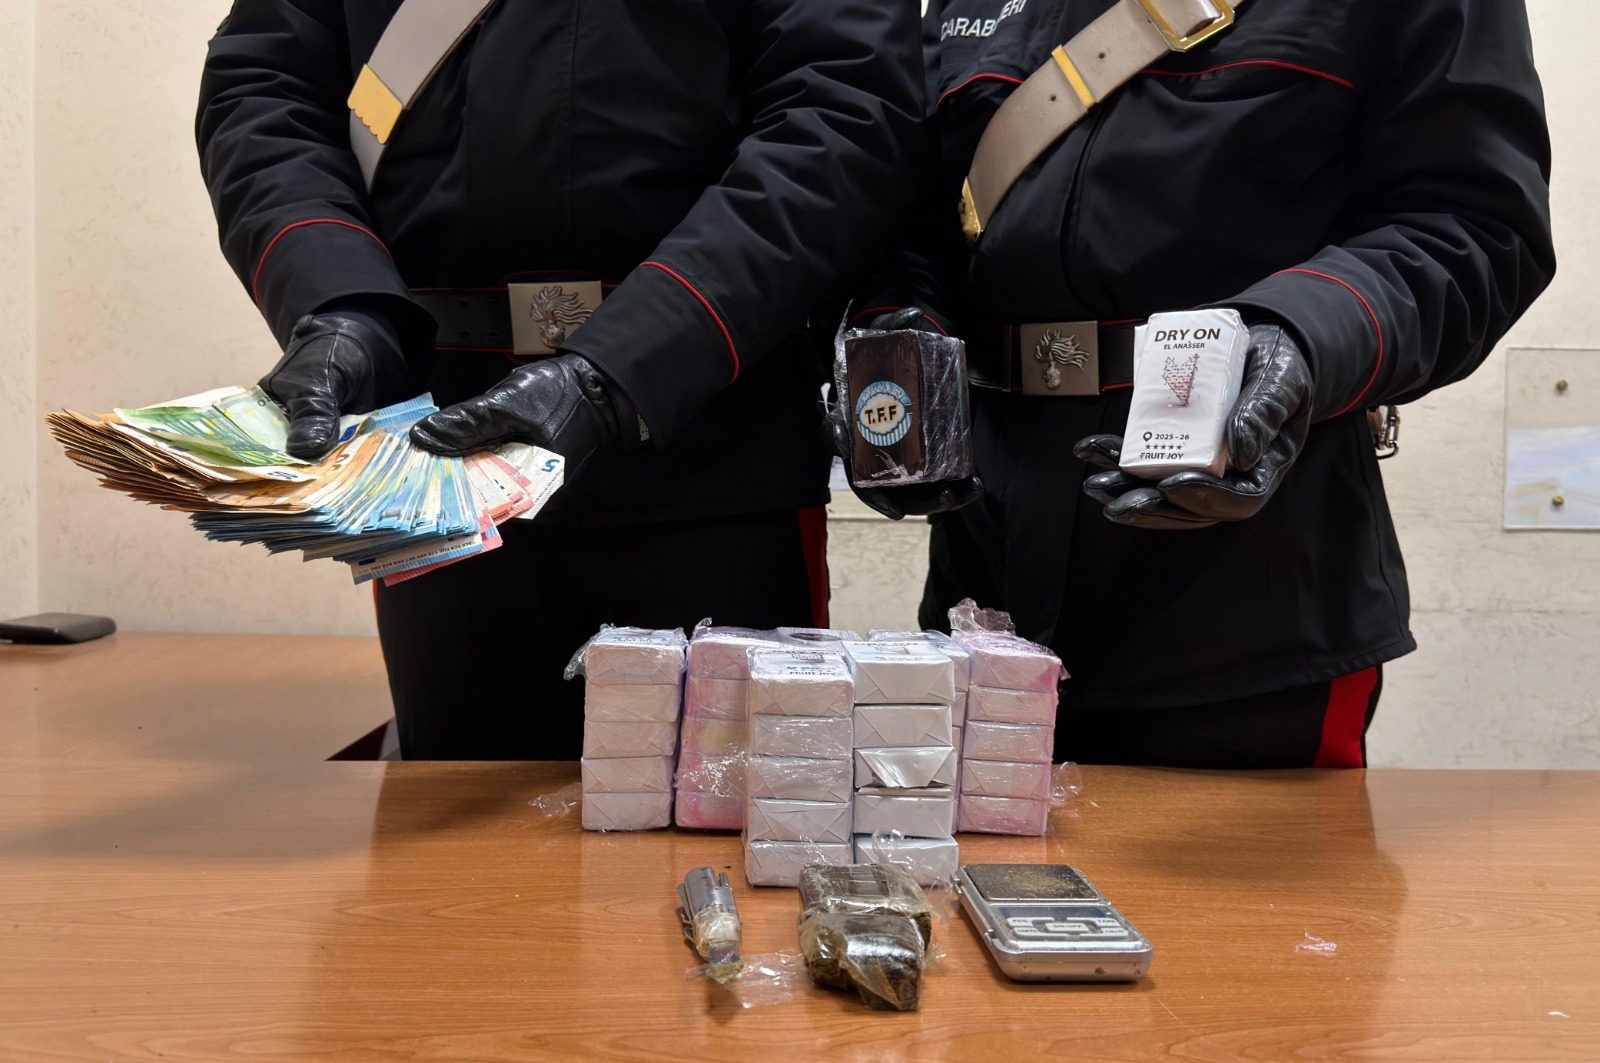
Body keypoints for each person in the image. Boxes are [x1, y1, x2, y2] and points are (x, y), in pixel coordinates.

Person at [196, 0, 924, 759]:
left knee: (734, 810)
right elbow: (265, 90)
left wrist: (625, 364)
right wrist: (340, 300)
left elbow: (844, 114)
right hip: (444, 463)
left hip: (709, 442)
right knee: (456, 817)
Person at [855, 0, 1554, 768]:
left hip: (1247, 599)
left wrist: (1300, 336)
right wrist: (895, 335)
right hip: (981, 595)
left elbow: (1471, 227)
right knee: (969, 848)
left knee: (1263, 856)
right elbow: (919, 216)